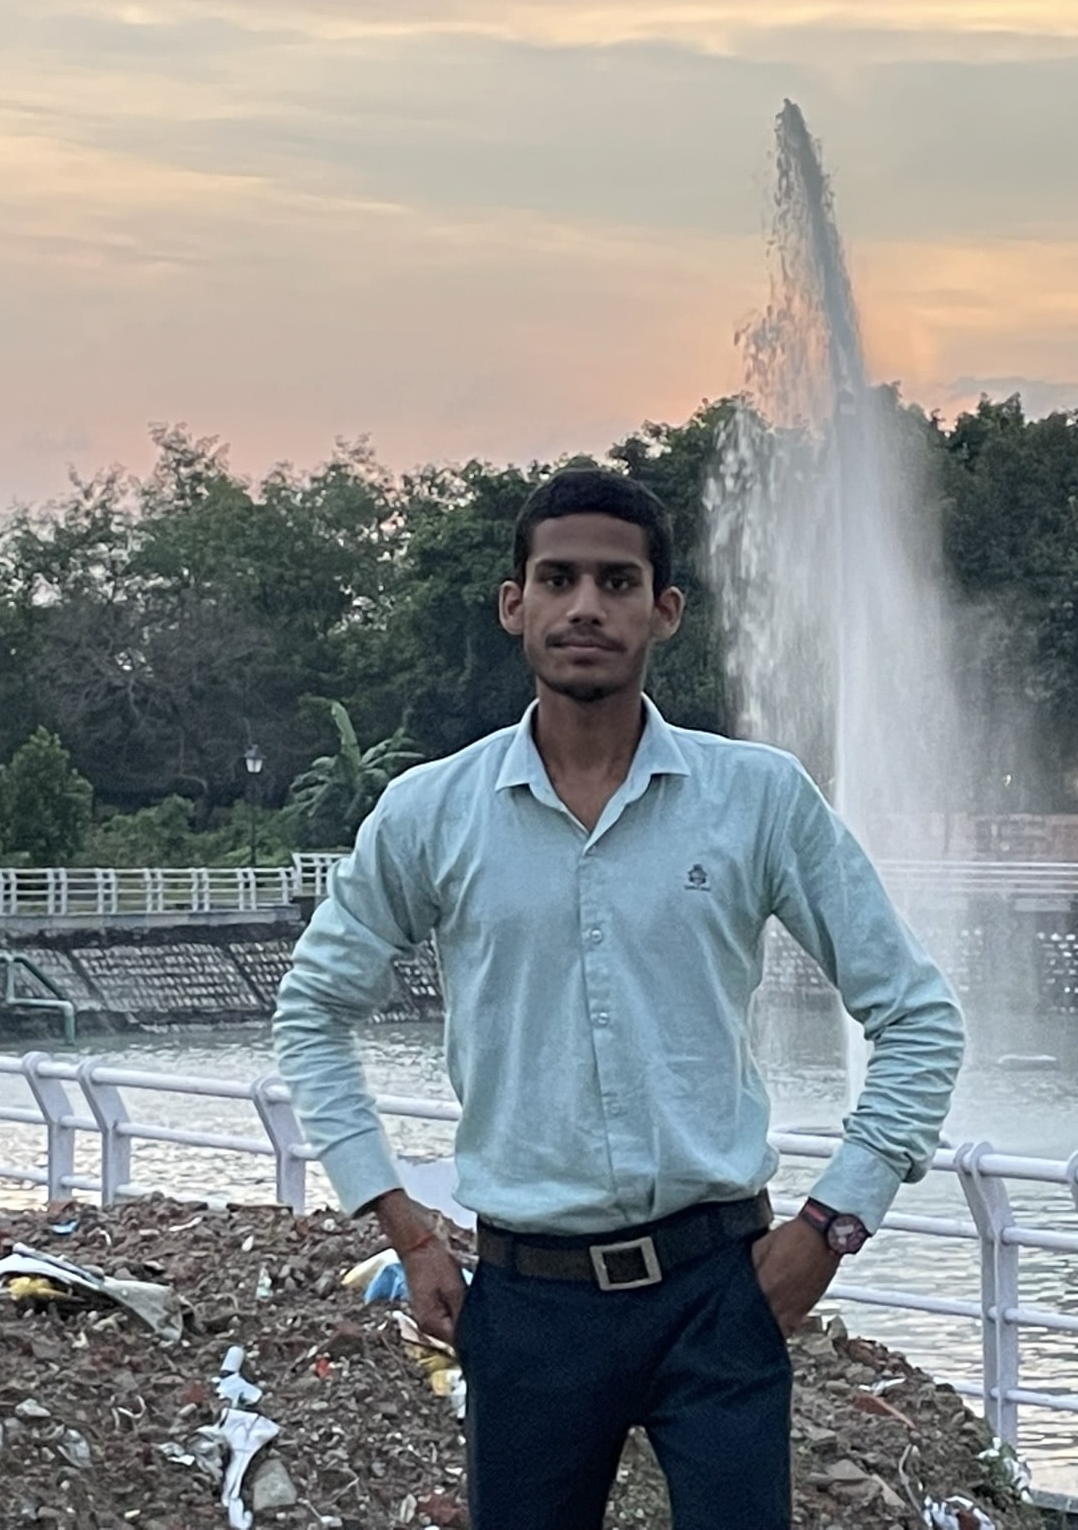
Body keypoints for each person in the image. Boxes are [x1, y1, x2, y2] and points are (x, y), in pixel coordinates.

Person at [274, 466, 964, 1530]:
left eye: (616, 581)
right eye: (558, 580)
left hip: (720, 1286)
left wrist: (831, 1223)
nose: (585, 606)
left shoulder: (756, 799)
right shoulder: (432, 813)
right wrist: (400, 1222)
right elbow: (312, 1009)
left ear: (664, 609)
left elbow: (916, 1015)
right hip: (527, 1299)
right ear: (515, 604)